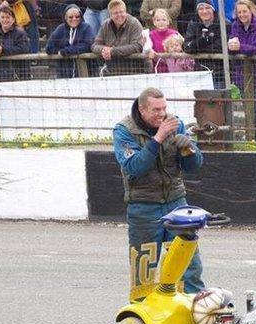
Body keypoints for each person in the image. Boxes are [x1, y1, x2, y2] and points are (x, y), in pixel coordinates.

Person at [113, 87, 204, 299]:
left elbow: (193, 166)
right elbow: (134, 167)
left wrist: (189, 149)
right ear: (142, 109)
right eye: (156, 110)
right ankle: (142, 321)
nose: (162, 114)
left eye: (164, 108)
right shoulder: (124, 131)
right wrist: (158, 139)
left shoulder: (176, 123)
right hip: (143, 206)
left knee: (188, 264)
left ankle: (194, 312)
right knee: (144, 270)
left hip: (176, 203)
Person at [229, 0, 256, 140]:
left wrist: (240, 47)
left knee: (253, 104)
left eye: (244, 11)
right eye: (239, 12)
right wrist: (232, 46)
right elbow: (233, 45)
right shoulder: (235, 25)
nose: (242, 14)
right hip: (241, 73)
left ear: (251, 10)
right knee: (248, 105)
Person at [183, 0, 229, 89]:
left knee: (219, 100)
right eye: (201, 8)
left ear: (213, 9)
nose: (204, 11)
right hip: (199, 72)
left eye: (208, 8)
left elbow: (220, 47)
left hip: (220, 71)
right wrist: (203, 40)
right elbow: (187, 47)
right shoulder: (193, 24)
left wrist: (197, 47)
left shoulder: (224, 23)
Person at [91, 0, 144, 75]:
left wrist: (113, 51)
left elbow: (137, 46)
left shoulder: (134, 23)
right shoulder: (105, 25)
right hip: (111, 72)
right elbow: (94, 46)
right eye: (115, 13)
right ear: (110, 15)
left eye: (121, 12)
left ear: (126, 11)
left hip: (135, 71)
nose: (119, 15)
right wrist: (104, 50)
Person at [0, 5, 31, 81]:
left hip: (19, 76)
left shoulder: (20, 33)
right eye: (2, 17)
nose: (5, 20)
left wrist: (3, 49)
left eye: (8, 17)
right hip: (0, 76)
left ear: (13, 19)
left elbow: (23, 49)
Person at [45, 4, 95, 78]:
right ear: (65, 18)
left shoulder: (87, 27)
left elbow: (87, 45)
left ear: (81, 17)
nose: (74, 19)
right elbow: (49, 47)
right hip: (64, 71)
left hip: (86, 71)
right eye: (70, 17)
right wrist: (59, 51)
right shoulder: (60, 28)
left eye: (77, 16)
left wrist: (66, 51)